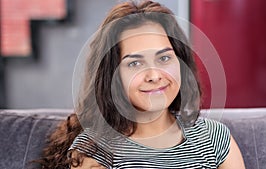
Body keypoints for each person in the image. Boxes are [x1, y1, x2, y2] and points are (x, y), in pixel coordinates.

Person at [37, 1, 245, 168]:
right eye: (135, 63)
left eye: (164, 59)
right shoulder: (95, 152)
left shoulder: (215, 138)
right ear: (112, 77)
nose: (154, 75)